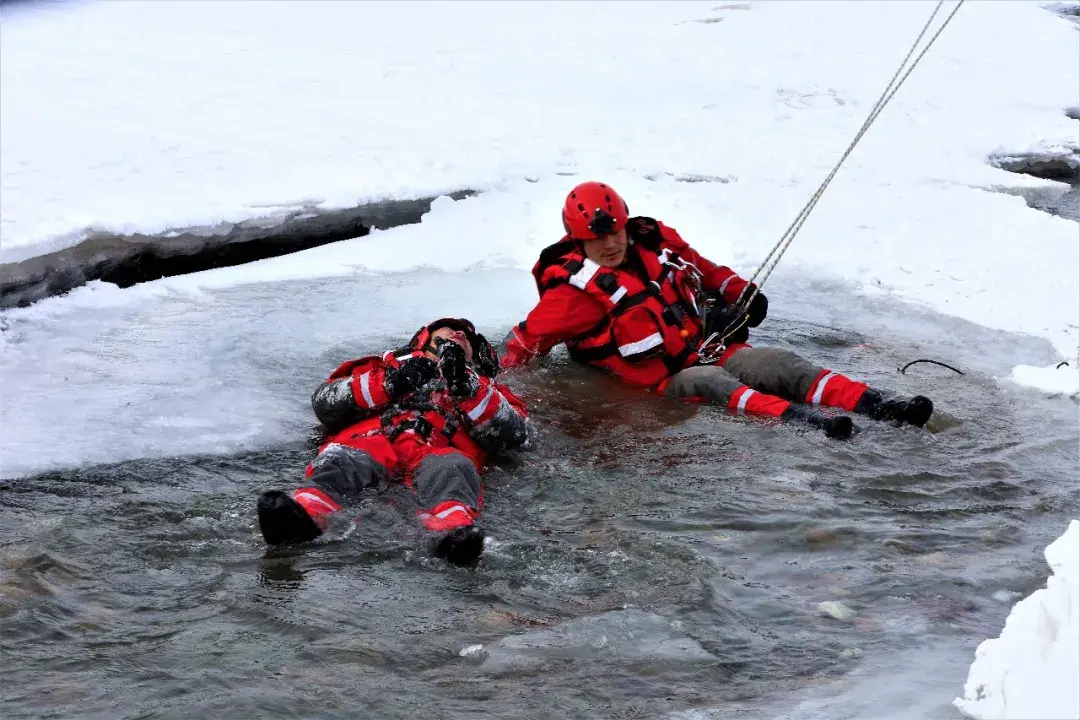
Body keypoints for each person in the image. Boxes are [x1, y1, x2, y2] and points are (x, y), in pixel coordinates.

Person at [501, 181, 934, 438]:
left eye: (615, 233)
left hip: (702, 346)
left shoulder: (654, 241)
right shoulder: (573, 297)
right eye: (598, 241)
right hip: (662, 381)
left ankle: (881, 405)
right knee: (711, 381)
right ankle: (813, 424)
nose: (611, 245)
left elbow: (705, 270)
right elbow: (521, 345)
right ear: (579, 241)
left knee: (779, 362)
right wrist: (498, 387)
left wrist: (740, 291)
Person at [257, 318, 532, 566]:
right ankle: (305, 514)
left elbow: (515, 435)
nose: (460, 332)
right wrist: (392, 382)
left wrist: (465, 386)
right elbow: (327, 403)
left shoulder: (490, 390)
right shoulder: (380, 367)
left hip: (438, 449)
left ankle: (451, 533)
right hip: (371, 440)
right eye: (448, 329)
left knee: (453, 469)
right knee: (339, 460)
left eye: (469, 338)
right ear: (423, 340)